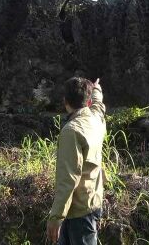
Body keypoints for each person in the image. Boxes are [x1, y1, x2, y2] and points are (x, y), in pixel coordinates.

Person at [46, 77, 106, 245]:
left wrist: (56, 217)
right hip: (92, 202)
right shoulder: (95, 119)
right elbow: (98, 106)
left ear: (65, 101)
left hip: (77, 211)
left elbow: (68, 178)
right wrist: (97, 89)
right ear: (87, 100)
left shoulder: (71, 131)